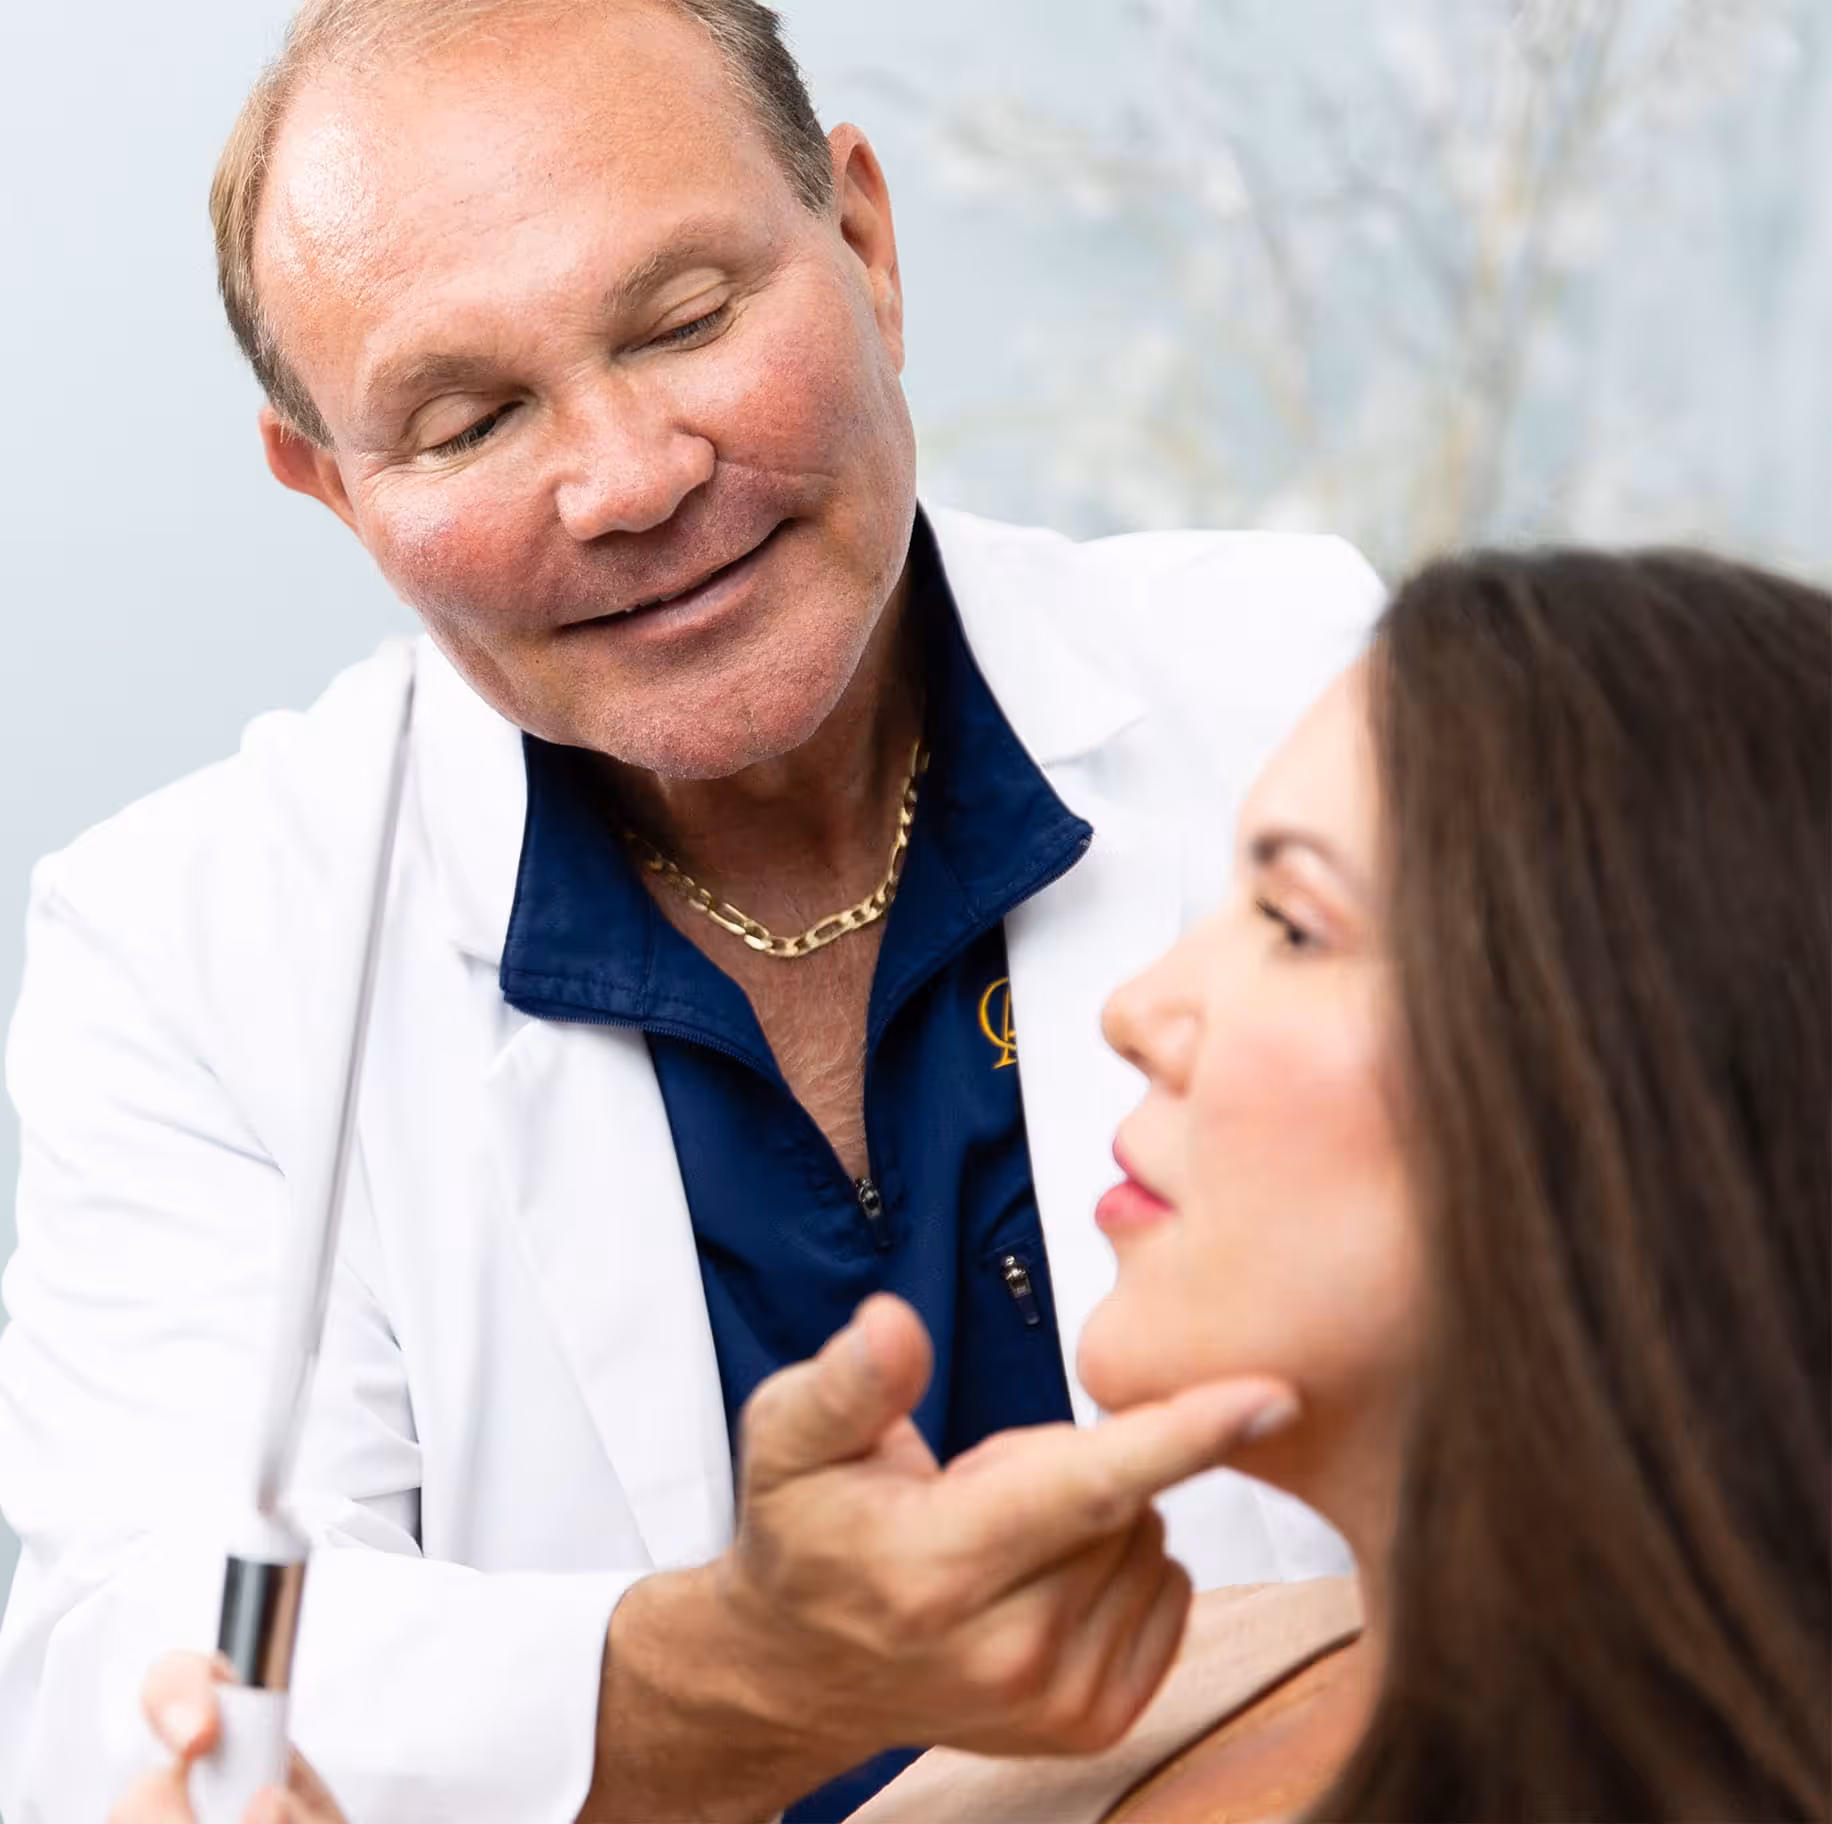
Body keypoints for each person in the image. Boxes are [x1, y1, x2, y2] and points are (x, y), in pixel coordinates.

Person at [0, 2, 1382, 1820]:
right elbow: (145, 1660)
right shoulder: (187, 946)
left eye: (688, 320)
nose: (634, 480)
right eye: (469, 418)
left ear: (867, 250)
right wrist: (751, 1673)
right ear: (330, 487)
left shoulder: (1310, 695)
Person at [117, 544, 1832, 1823]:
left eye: (1294, 921)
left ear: (1641, 1077)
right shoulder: (1070, 1757)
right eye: (473, 415)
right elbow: (122, 1674)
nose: (1143, 1005)